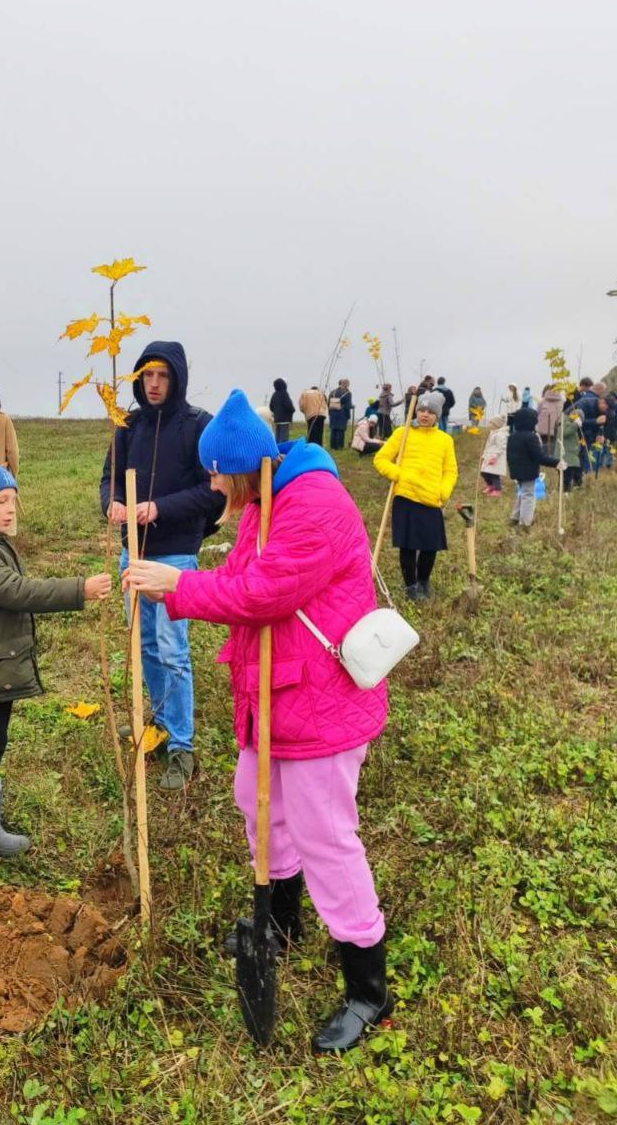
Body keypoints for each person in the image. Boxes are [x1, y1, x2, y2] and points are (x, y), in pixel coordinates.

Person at [124, 390, 392, 1055]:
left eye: (217, 474)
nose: (212, 486)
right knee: (257, 802)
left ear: (242, 468)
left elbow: (262, 591)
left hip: (319, 702)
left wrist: (177, 587)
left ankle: (368, 987)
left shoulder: (315, 506)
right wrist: (185, 579)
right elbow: (245, 572)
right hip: (274, 693)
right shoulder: (265, 502)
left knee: (327, 834)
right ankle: (282, 923)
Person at [0, 463, 111, 877]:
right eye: (1, 501)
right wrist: (78, 589)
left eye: (13, 500)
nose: (12, 509)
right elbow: (17, 592)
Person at [100, 341, 221, 790]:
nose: (153, 385)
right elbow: (109, 477)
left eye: (163, 376)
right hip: (135, 550)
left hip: (174, 553)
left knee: (172, 648)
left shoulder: (197, 426)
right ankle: (159, 721)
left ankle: (182, 745)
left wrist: (159, 508)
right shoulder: (126, 425)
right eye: (147, 376)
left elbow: (213, 491)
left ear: (178, 378)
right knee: (144, 643)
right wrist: (112, 503)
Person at [373, 390, 458, 600]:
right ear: (416, 411)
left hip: (431, 498)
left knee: (430, 546)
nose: (425, 414)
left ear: (437, 415)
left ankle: (423, 581)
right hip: (406, 495)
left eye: (430, 411)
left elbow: (450, 470)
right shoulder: (403, 433)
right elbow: (381, 459)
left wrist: (443, 491)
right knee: (408, 545)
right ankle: (410, 586)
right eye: (421, 409)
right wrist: (398, 475)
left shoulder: (445, 440)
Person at [506, 408, 563, 529]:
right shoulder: (531, 437)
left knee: (523, 492)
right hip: (528, 472)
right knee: (529, 496)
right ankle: (525, 523)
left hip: (516, 470)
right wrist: (556, 462)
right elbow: (539, 457)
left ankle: (515, 517)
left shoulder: (512, 436)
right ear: (531, 422)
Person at [480, 415, 508, 495]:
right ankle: (490, 485)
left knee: (494, 474)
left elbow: (501, 446)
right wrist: (485, 455)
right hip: (489, 455)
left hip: (495, 457)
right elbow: (488, 445)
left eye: (491, 423)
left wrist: (495, 456)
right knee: (484, 472)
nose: (489, 425)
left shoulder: (501, 434)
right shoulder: (493, 432)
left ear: (496, 425)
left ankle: (497, 489)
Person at [536, 385, 564, 452]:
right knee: (553, 446)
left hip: (542, 427)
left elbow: (537, 412)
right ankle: (550, 460)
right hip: (555, 427)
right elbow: (562, 415)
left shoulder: (543, 400)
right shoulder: (561, 402)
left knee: (544, 445)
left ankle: (545, 460)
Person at [560, 409, 583, 492]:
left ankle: (574, 488)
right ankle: (566, 492)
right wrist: (575, 424)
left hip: (572, 455)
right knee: (566, 476)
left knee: (576, 473)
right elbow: (564, 433)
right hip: (565, 455)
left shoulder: (571, 423)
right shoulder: (565, 421)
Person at [328, 379, 353, 450]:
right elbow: (348, 406)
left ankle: (332, 446)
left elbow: (328, 403)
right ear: (347, 384)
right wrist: (348, 416)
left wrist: (330, 413)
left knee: (333, 430)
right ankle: (339, 447)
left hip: (333, 413)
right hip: (342, 414)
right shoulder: (348, 393)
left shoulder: (333, 392)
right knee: (341, 431)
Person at [269, 378, 295, 443]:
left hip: (277, 420)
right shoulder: (284, 393)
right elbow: (289, 406)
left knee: (277, 438)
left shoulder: (274, 394)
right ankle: (282, 452)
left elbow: (271, 407)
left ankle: (277, 452)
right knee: (284, 439)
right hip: (285, 420)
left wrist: (276, 412)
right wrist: (292, 410)